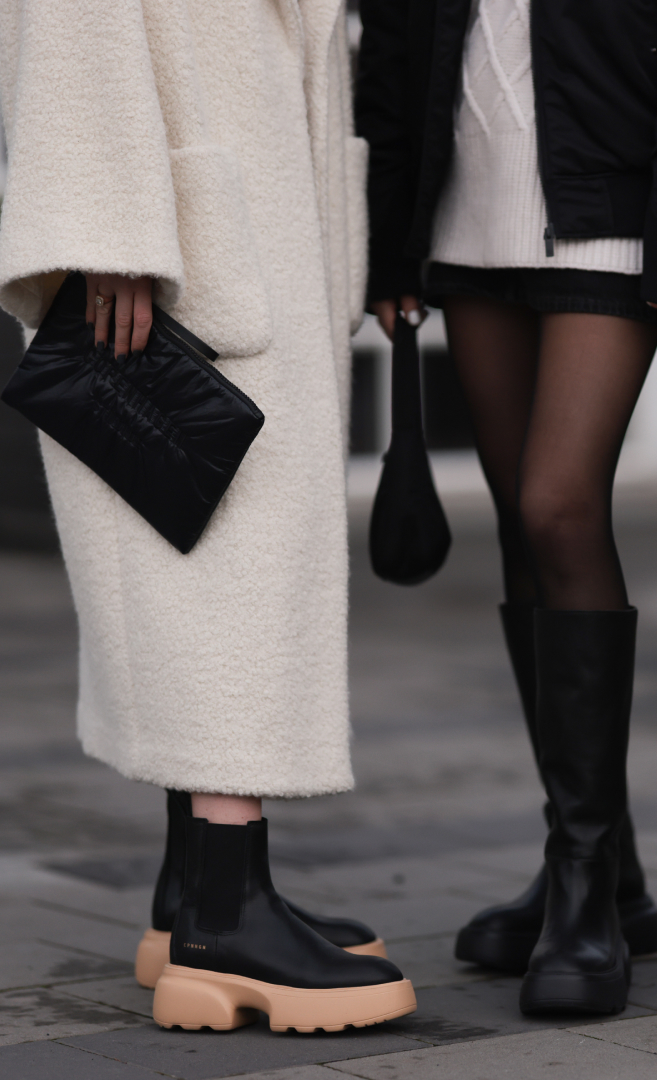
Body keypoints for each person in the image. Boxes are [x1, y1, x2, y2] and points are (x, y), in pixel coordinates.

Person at [0, 0, 415, 1033]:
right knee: (221, 580)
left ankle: (195, 892)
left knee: (219, 571)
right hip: (173, 252)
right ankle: (225, 924)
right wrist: (111, 232)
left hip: (242, 233)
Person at [356, 0, 657, 1015]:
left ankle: (585, 885)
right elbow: (397, 54)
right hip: (467, 216)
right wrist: (388, 244)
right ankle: (598, 867)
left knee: (558, 509)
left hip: (612, 219)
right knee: (522, 529)